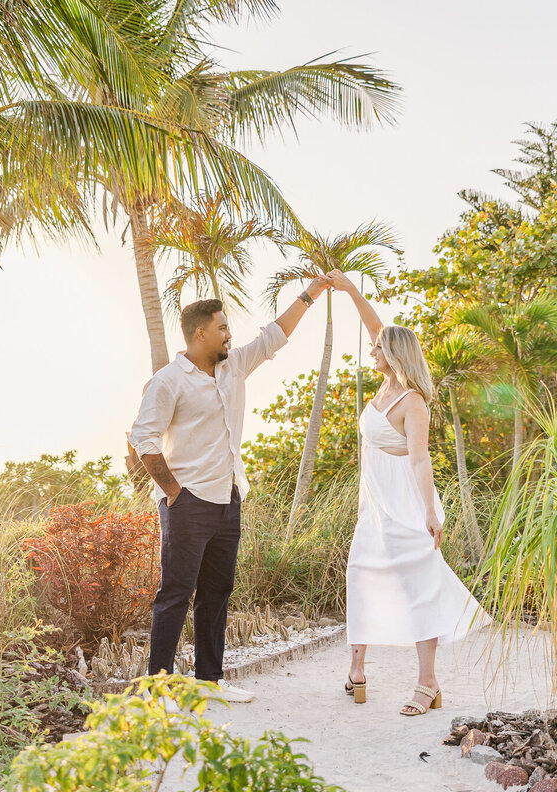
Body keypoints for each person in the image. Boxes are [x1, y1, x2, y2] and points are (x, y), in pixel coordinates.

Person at [129, 277, 331, 702]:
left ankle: (209, 682)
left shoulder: (233, 365)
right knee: (176, 594)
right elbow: (143, 439)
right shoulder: (169, 381)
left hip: (227, 497)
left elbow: (274, 336)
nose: (229, 334)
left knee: (217, 592)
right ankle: (158, 690)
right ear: (199, 333)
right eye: (222, 328)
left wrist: (309, 294)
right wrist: (174, 493)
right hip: (187, 502)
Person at [327, 268, 489, 716]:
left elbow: (420, 459)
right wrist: (350, 289)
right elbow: (373, 324)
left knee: (420, 589)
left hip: (407, 507)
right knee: (360, 575)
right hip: (375, 509)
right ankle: (357, 671)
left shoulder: (412, 401)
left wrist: (430, 514)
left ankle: (428, 683)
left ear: (394, 354)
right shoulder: (383, 386)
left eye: (379, 347)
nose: (372, 348)